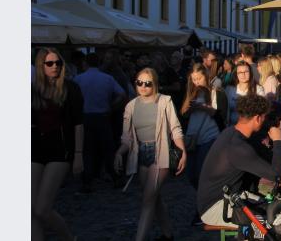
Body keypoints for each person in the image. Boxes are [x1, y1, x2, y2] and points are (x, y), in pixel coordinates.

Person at [114, 67, 187, 241]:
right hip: (141, 155)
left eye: (148, 83)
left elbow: (175, 128)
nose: (143, 86)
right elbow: (127, 137)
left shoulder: (165, 101)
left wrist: (183, 152)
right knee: (154, 197)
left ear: (155, 84)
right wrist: (119, 152)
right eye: (139, 82)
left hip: (160, 152)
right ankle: (168, 235)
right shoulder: (131, 106)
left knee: (147, 199)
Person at [197, 94, 281, 227]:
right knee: (273, 221)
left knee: (274, 207)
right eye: (265, 117)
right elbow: (277, 174)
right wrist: (278, 141)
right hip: (214, 207)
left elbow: (267, 156)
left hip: (227, 197)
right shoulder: (239, 147)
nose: (267, 121)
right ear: (257, 118)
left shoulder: (232, 132)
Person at [32, 48, 84, 241]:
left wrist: (78, 154)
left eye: (58, 63)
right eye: (50, 63)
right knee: (30, 209)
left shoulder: (71, 88)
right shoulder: (33, 90)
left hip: (60, 149)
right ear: (41, 66)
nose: (55, 66)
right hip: (35, 149)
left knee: (42, 209)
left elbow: (78, 123)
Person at [73, 52, 126, 192]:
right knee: (108, 149)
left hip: (85, 117)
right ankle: (115, 177)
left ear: (85, 63)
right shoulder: (107, 78)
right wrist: (111, 106)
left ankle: (87, 182)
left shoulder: (78, 78)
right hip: (103, 117)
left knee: (87, 150)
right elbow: (122, 94)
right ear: (99, 63)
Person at [180, 68, 222, 224]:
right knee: (191, 175)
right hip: (193, 138)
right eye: (194, 79)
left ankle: (203, 209)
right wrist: (191, 107)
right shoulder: (192, 92)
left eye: (199, 78)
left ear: (206, 77)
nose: (197, 82)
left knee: (201, 174)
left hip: (210, 136)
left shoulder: (214, 92)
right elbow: (183, 113)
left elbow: (217, 114)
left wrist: (202, 107)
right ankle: (208, 201)